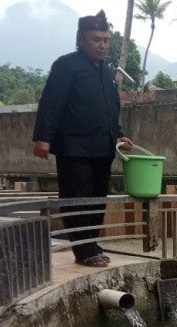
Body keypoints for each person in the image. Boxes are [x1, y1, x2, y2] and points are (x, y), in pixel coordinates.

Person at [32, 9, 133, 267]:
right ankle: (84, 251)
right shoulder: (66, 66)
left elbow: (110, 106)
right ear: (80, 40)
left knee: (98, 199)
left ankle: (92, 243)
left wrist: (119, 133)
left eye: (105, 40)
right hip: (74, 147)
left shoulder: (106, 70)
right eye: (96, 39)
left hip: (102, 147)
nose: (102, 45)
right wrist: (43, 137)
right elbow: (51, 103)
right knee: (78, 199)